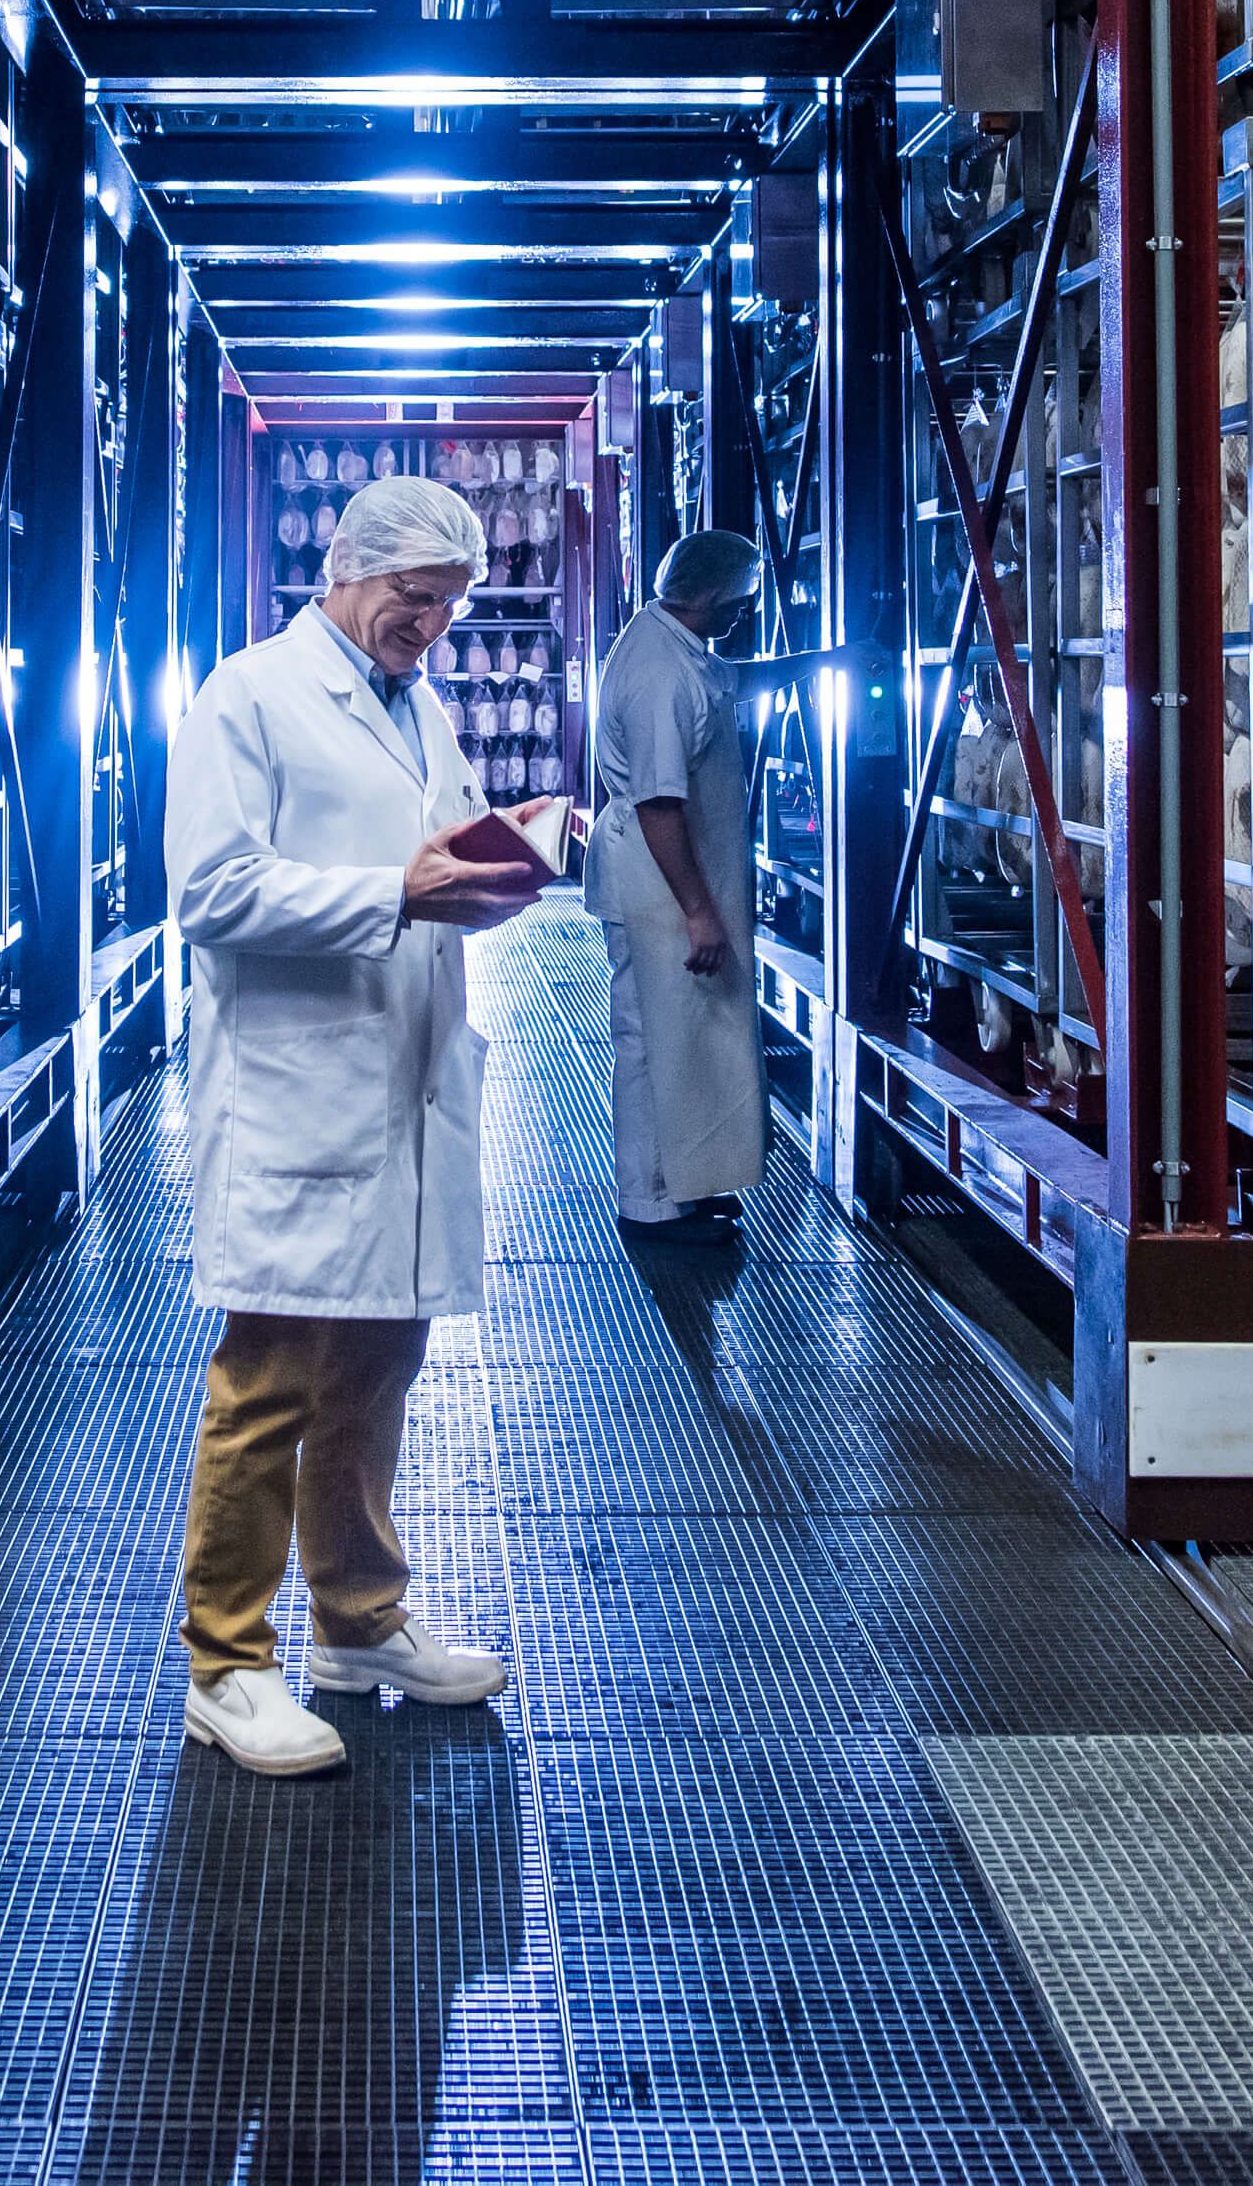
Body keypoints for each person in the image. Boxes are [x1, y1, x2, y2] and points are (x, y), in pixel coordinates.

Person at [155, 474, 560, 1779]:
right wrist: (397, 889)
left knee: (379, 1369)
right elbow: (212, 889)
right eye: (414, 597)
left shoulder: (421, 702)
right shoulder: (249, 696)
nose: (432, 624)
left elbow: (439, 852)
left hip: (407, 1079)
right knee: (268, 1376)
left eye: (450, 604)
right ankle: (226, 1662)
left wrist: (501, 867)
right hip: (297, 1089)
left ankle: (358, 1620)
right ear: (348, 569)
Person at [588, 529, 770, 1228]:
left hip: (664, 878)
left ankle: (678, 1183)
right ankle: (653, 1201)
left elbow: (731, 683)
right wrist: (698, 909)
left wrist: (826, 661)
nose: (745, 613)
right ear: (717, 596)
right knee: (648, 1036)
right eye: (743, 600)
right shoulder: (660, 673)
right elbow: (659, 802)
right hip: (659, 885)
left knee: (675, 1033)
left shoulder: (668, 640)